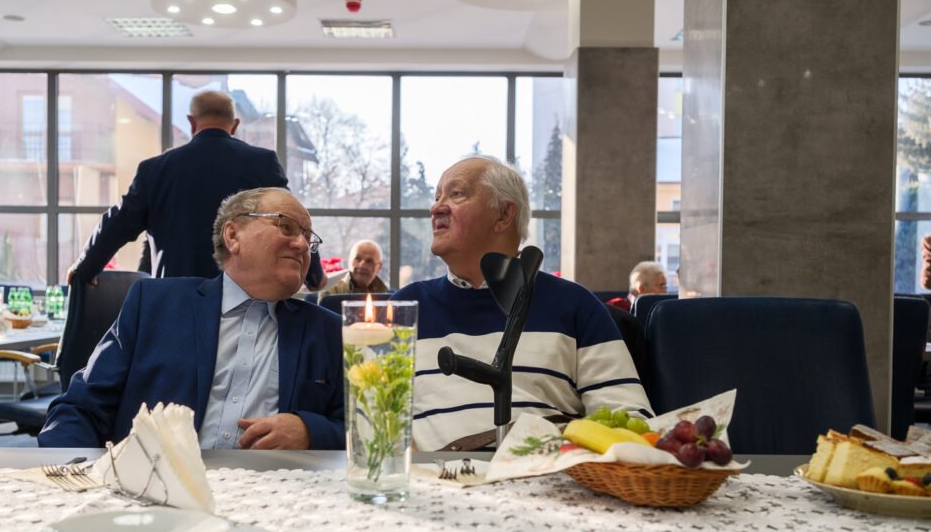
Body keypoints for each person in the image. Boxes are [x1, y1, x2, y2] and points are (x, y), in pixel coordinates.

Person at [39, 188, 344, 450]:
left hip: (276, 491)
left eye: (308, 238)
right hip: (157, 488)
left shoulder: (328, 331)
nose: (302, 245)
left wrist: (310, 431)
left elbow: (363, 425)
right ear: (233, 236)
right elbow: (80, 408)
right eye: (286, 227)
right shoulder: (155, 305)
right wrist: (74, 476)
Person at [392, 156, 653, 451]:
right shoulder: (403, 309)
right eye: (437, 196)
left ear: (504, 215)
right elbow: (372, 419)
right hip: (434, 475)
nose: (436, 208)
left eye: (456, 194)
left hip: (546, 472)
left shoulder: (575, 305)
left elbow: (629, 421)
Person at [67, 90, 288, 284]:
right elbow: (290, 221)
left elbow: (118, 223)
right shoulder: (263, 164)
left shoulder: (155, 169)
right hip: (243, 298)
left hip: (174, 299)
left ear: (191, 122)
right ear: (235, 125)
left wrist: (84, 268)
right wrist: (307, 280)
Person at [319, 239, 388, 297]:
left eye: (369, 261)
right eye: (357, 258)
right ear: (349, 260)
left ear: (379, 267)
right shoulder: (330, 293)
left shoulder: (387, 297)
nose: (362, 265)